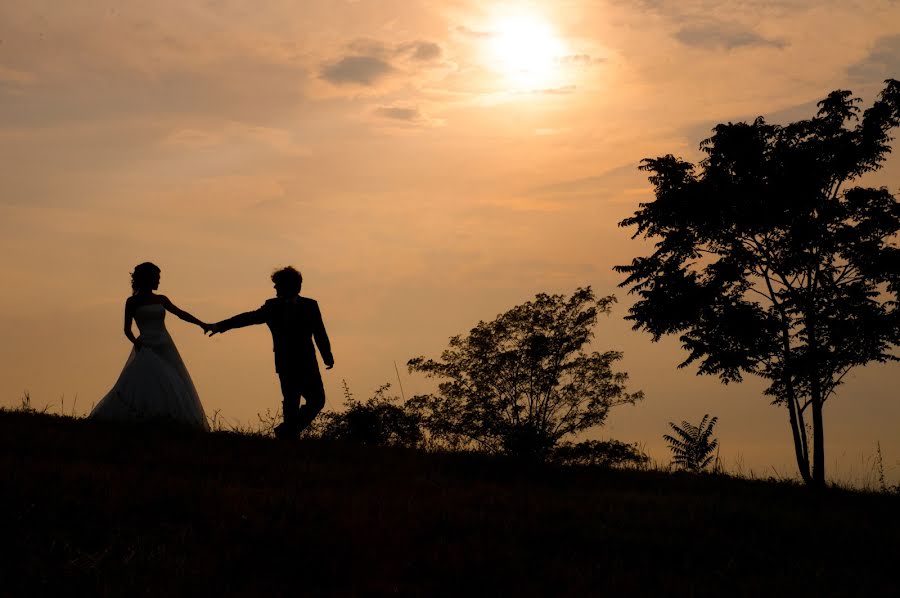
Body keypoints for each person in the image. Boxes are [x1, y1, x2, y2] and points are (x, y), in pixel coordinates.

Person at [208, 266, 333, 439]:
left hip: (307, 362)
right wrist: (219, 326)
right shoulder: (272, 306)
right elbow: (247, 318)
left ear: (291, 285)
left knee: (317, 400)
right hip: (285, 362)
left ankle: (286, 431)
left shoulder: (310, 305)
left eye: (278, 284)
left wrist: (327, 355)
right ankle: (288, 439)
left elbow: (319, 331)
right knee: (291, 402)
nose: (275, 288)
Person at [90, 262, 210, 430]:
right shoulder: (132, 302)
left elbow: (180, 313)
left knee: (171, 382)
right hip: (146, 346)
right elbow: (127, 329)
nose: (158, 281)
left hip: (165, 346)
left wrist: (201, 324)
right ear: (147, 278)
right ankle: (145, 418)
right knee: (146, 382)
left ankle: (168, 422)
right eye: (156, 278)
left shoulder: (161, 299)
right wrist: (136, 342)